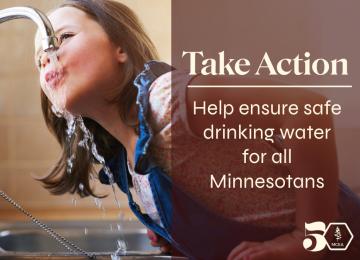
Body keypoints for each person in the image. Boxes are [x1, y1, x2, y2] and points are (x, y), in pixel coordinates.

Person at [34, 0, 360, 259]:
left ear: (121, 48)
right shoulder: (126, 162)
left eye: (63, 38)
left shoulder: (167, 102)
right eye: (39, 61)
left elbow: (306, 109)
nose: (48, 58)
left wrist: (308, 237)